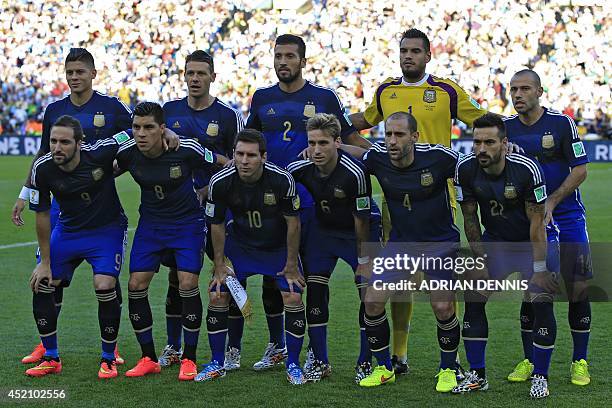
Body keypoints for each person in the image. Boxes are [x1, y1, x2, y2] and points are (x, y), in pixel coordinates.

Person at [349, 28, 487, 374]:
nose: (408, 56)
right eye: (403, 51)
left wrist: (507, 139)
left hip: (437, 194)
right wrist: (333, 121)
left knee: (441, 284)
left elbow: (482, 121)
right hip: (396, 197)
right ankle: (399, 354)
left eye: (414, 51)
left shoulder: (446, 90)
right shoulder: (386, 90)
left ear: (428, 55)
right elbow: (364, 121)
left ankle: (450, 357)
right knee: (399, 281)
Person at [242, 34, 368, 372]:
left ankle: (318, 351)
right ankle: (277, 344)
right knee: (274, 274)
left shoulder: (324, 97)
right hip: (271, 202)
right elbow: (250, 141)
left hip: (312, 204)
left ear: (303, 61)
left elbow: (348, 137)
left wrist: (378, 155)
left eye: (290, 56)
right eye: (278, 55)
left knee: (312, 278)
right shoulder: (262, 98)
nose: (283, 62)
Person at [14, 48, 132, 366]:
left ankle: (112, 347)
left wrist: (107, 173)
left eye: (80, 72)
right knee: (47, 271)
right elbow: (42, 156)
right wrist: (25, 193)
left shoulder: (111, 108)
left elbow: (134, 138)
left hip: (99, 204)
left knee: (105, 279)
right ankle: (46, 344)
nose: (75, 77)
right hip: (61, 207)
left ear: (93, 73)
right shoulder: (54, 110)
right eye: (70, 72)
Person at [342, 111, 461, 392]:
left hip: (440, 242)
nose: (392, 141)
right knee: (372, 301)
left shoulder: (439, 157)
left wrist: (510, 148)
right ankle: (385, 368)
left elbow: (475, 162)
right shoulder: (378, 158)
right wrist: (325, 146)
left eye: (399, 135)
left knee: (443, 306)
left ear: (415, 137)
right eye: (388, 135)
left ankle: (448, 368)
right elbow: (351, 152)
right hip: (401, 244)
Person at [453, 113, 559, 398]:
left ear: (504, 143)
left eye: (489, 142)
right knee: (474, 297)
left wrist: (539, 268)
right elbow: (470, 219)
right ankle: (478, 374)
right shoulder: (464, 169)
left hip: (530, 241)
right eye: (476, 142)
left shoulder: (526, 169)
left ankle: (540, 375)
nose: (482, 149)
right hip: (496, 242)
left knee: (541, 300)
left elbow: (537, 224)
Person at [196, 129, 306, 384]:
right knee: (218, 292)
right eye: (239, 154)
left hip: (276, 247)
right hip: (241, 246)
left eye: (251, 155)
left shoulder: (281, 180)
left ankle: (293, 364)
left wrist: (291, 264)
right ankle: (217, 362)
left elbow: (294, 224)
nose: (244, 161)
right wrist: (220, 264)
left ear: (264, 157)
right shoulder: (221, 181)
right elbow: (217, 224)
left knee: (292, 293)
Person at [504, 69, 593, 387]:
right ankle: (530, 360)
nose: (517, 94)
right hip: (531, 222)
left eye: (524, 88)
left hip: (567, 217)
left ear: (540, 91)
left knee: (578, 286)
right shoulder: (505, 129)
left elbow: (580, 170)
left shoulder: (561, 123)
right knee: (534, 289)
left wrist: (552, 202)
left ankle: (579, 361)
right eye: (512, 89)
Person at [159, 50, 244, 369]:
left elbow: (241, 162)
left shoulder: (227, 115)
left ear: (212, 77)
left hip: (219, 209)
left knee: (229, 276)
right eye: (189, 73)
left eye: (200, 73)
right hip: (178, 211)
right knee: (176, 277)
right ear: (183, 75)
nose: (194, 78)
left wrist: (209, 188)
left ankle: (233, 349)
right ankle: (173, 346)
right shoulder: (169, 111)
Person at [27, 115, 130, 379]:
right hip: (68, 231)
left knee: (105, 285)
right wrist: (45, 262)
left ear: (79, 143)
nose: (57, 148)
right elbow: (41, 215)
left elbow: (131, 131)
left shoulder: (100, 152)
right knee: (42, 282)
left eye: (64, 142)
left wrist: (165, 134)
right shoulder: (43, 167)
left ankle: (108, 358)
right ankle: (51, 357)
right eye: (53, 141)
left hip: (107, 231)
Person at [287, 113, 381, 383]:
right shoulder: (300, 168)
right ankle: (319, 359)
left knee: (367, 294)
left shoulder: (355, 172)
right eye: (312, 143)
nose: (316, 150)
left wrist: (364, 259)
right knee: (315, 290)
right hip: (324, 232)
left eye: (323, 143)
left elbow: (361, 219)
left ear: (337, 142)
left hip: (359, 233)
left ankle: (365, 359)